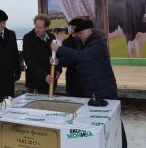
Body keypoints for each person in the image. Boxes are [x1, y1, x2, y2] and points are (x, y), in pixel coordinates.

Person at [50, 20, 127, 148]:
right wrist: (58, 61)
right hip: (92, 90)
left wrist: (59, 48)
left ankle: (122, 145)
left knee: (114, 121)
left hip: (105, 90)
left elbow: (82, 57)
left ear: (89, 30)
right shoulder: (86, 43)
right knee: (97, 123)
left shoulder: (98, 43)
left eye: (80, 33)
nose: (79, 35)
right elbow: (75, 61)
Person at [22, 14, 62, 94]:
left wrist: (58, 70)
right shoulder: (28, 38)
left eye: (40, 27)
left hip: (50, 82)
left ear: (46, 27)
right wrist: (44, 76)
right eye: (36, 26)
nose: (37, 30)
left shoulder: (52, 37)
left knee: (49, 106)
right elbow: (30, 61)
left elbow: (57, 55)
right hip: (35, 83)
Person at [62, 18, 85, 97]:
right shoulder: (66, 42)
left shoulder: (87, 42)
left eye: (74, 28)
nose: (72, 30)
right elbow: (64, 60)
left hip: (86, 79)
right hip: (72, 78)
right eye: (71, 28)